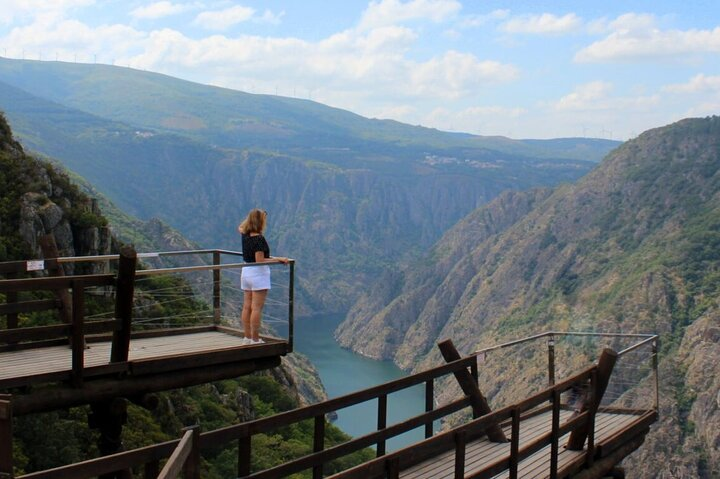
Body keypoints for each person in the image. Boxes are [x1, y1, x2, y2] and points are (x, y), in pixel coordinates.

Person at [238, 208, 289, 345]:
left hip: (246, 272)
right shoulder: (259, 239)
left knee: (246, 307)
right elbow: (260, 260)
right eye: (264, 220)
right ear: (260, 222)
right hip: (258, 274)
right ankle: (255, 339)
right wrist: (279, 260)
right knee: (256, 308)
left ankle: (247, 338)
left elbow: (241, 226)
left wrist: (252, 217)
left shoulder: (244, 233)